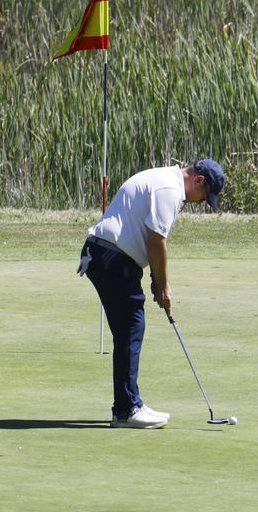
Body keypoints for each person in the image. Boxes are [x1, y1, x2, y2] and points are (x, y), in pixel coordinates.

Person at [78, 159, 227, 428]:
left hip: (107, 255)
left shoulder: (165, 180)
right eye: (203, 197)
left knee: (129, 327)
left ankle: (128, 404)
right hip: (111, 256)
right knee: (132, 326)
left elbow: (147, 236)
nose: (198, 202)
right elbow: (157, 241)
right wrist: (164, 286)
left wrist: (156, 281)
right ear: (199, 181)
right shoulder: (169, 190)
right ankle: (126, 410)